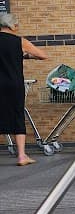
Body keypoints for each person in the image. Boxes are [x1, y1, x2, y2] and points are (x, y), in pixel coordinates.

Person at [0, 12, 48, 165]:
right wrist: (24, 55)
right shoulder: (19, 41)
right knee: (17, 115)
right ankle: (21, 156)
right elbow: (42, 55)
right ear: (12, 25)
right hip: (14, 84)